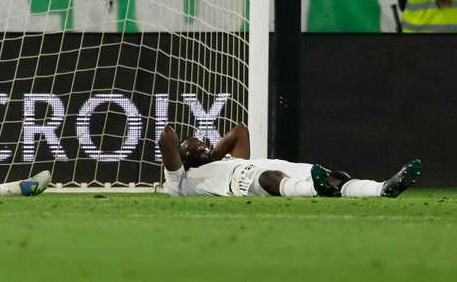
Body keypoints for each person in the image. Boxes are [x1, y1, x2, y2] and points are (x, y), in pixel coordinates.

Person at [159, 123, 421, 198]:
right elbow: (166, 138)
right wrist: (184, 157)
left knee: (333, 177)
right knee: (267, 180)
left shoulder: (227, 160)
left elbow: (240, 131)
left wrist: (212, 154)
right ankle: (315, 190)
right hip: (242, 181)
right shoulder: (182, 182)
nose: (204, 148)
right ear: (184, 160)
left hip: (273, 164)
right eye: (197, 150)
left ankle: (382, 188)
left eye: (204, 145)